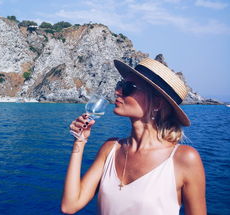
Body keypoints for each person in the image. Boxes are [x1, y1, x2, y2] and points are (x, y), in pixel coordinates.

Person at [61, 58, 206, 215]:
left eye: (128, 87)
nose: (117, 92)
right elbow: (70, 205)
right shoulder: (110, 149)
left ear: (157, 103)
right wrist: (80, 142)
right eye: (120, 85)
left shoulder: (184, 159)